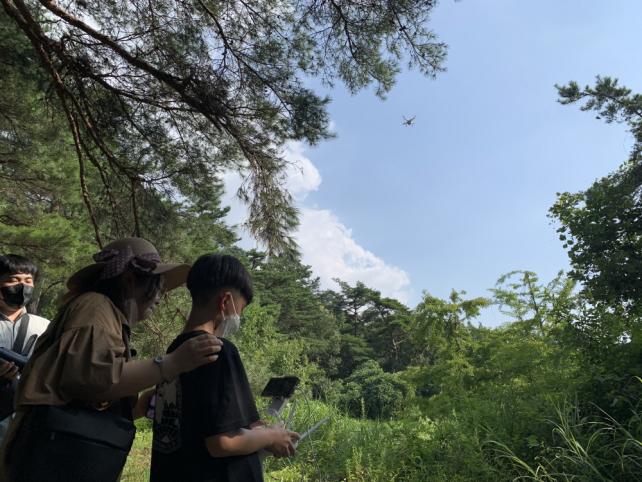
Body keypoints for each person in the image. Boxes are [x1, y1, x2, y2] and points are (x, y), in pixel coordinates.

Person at [0, 237, 223, 482]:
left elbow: (87, 401)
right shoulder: (96, 309)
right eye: (157, 287)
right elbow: (93, 380)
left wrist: (137, 406)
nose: (160, 298)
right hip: (52, 458)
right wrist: (172, 363)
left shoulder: (106, 315)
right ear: (128, 280)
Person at [150, 254, 300, 482]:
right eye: (240, 310)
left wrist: (260, 433)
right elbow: (222, 442)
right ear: (225, 301)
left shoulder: (175, 352)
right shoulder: (218, 351)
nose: (238, 318)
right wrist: (272, 436)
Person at [0, 255, 51, 442]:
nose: (22, 286)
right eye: (14, 280)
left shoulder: (46, 327)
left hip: (27, 424)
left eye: (28, 281)